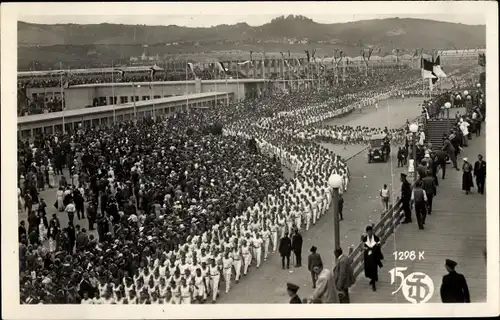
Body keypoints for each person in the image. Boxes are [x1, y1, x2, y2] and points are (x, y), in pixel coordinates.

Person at [362, 225, 383, 291]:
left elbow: (379, 245)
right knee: (369, 268)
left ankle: (373, 283)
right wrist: (367, 249)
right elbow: (363, 246)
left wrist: (374, 249)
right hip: (368, 256)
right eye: (368, 231)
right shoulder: (365, 238)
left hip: (374, 256)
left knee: (374, 268)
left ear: (372, 231)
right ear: (367, 232)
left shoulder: (376, 238)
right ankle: (372, 278)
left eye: (371, 231)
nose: (370, 233)